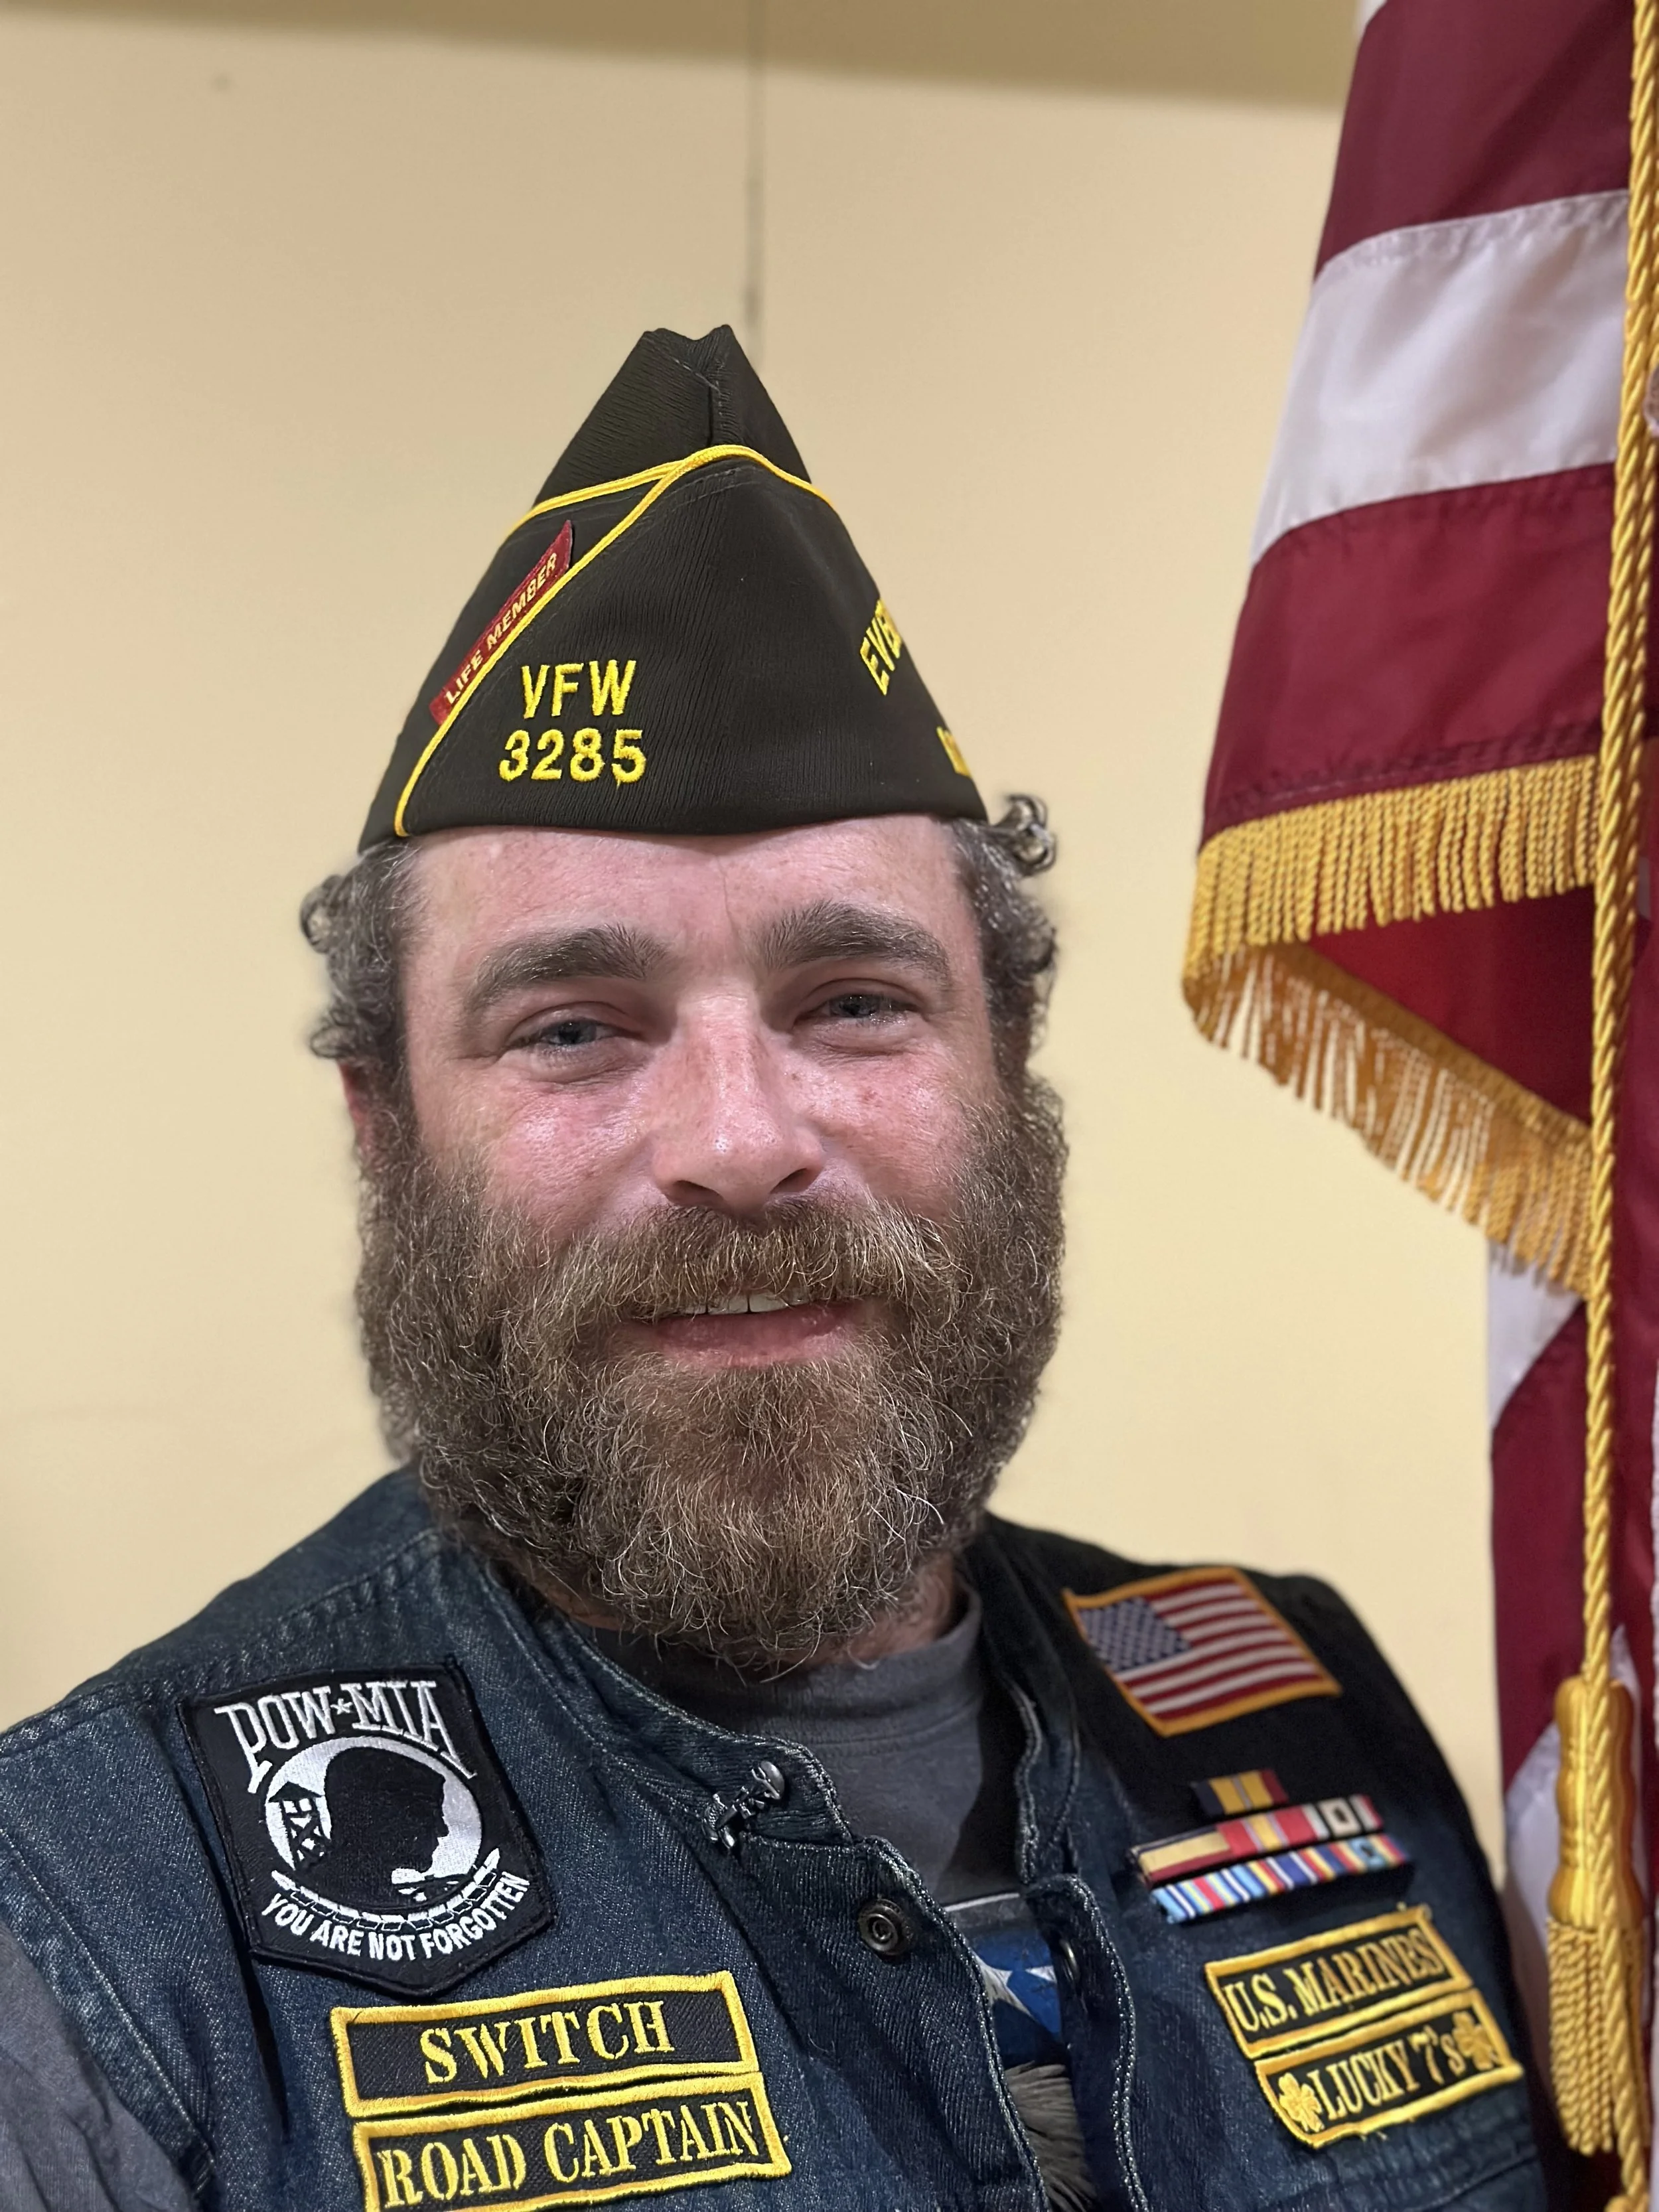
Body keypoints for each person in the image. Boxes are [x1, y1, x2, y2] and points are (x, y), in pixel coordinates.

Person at [0, 327, 1548, 2212]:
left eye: (852, 1001)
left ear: (1008, 1078)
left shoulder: (1304, 1708)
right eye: (575, 1026)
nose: (739, 1140)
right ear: (383, 1126)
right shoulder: (98, 1900)